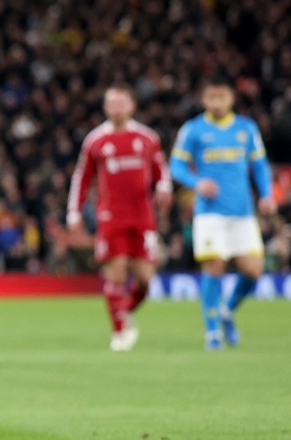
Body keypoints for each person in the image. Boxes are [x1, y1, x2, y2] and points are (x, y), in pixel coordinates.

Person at [169, 81, 275, 349]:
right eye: (211, 97)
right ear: (204, 100)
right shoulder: (193, 129)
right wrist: (197, 183)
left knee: (253, 270)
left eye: (221, 97)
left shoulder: (246, 128)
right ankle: (212, 332)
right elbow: (177, 165)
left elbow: (259, 165)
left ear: (231, 99)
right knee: (213, 266)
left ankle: (227, 310)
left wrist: (266, 194)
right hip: (209, 213)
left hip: (242, 211)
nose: (216, 102)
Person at [66, 85, 172, 350]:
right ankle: (119, 331)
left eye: (121, 102)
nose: (116, 107)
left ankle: (123, 311)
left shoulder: (147, 137)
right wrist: (74, 212)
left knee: (146, 279)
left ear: (132, 106)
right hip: (111, 217)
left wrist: (163, 188)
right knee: (116, 273)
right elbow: (82, 177)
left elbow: (161, 170)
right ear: (105, 108)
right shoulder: (96, 140)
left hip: (143, 216)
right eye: (111, 103)